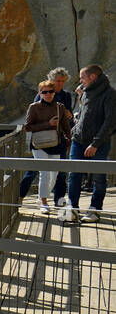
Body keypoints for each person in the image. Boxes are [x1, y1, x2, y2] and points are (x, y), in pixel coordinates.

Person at [63, 65, 116, 222]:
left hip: (98, 144)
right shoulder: (85, 92)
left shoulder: (110, 94)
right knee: (74, 175)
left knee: (99, 177)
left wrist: (95, 144)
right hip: (78, 140)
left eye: (82, 77)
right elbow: (86, 115)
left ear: (92, 77)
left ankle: (94, 209)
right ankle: (72, 209)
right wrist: (77, 124)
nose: (80, 81)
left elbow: (110, 122)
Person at [18, 67, 74, 205]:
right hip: (41, 140)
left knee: (59, 173)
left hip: (58, 139)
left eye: (62, 81)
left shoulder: (66, 96)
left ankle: (58, 200)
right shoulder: (42, 94)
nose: (59, 84)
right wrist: (48, 123)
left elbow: (68, 119)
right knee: (35, 171)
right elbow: (33, 118)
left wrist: (68, 116)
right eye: (57, 81)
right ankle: (21, 197)